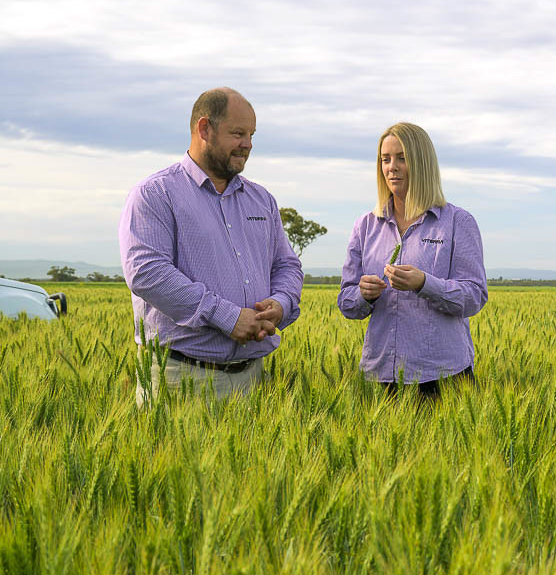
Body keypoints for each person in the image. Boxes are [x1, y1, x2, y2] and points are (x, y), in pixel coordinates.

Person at [119, 87, 303, 402]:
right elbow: (147, 272)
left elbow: (286, 264)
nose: (248, 144)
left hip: (253, 378)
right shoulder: (155, 194)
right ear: (204, 129)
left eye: (251, 135)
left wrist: (281, 303)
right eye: (238, 133)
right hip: (180, 378)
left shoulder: (262, 200)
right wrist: (228, 317)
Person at [338, 122, 487, 397]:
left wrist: (424, 284)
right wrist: (363, 294)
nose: (391, 167)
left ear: (422, 163)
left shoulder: (457, 222)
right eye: (385, 159)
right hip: (381, 377)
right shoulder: (366, 226)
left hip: (443, 377)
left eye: (402, 158)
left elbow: (474, 296)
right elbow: (347, 303)